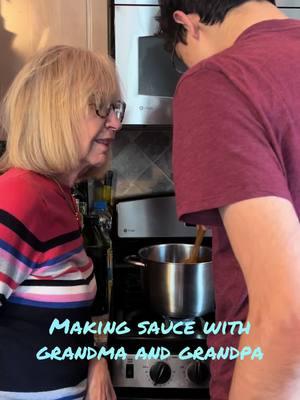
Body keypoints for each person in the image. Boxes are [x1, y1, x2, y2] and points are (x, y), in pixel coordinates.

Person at [157, 1, 300, 399]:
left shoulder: (220, 78)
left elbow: (288, 315)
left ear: (186, 23)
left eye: (184, 61)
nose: (190, 71)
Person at [0, 45, 125, 400]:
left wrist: (95, 357)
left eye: (116, 108)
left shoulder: (59, 195)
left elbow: (60, 322)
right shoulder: (19, 197)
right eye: (100, 106)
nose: (115, 122)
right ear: (56, 112)